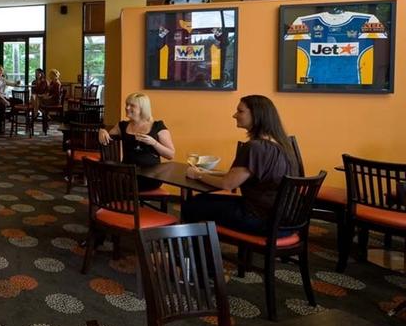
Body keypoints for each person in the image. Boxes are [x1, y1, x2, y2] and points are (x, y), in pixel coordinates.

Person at [180, 95, 299, 236]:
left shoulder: (255, 147)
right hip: (286, 221)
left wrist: (197, 175)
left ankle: (192, 248)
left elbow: (227, 184)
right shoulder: (283, 144)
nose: (234, 115)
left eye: (240, 111)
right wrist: (209, 174)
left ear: (257, 115)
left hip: (264, 222)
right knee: (203, 201)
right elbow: (246, 175)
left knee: (193, 205)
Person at [97, 92, 176, 190]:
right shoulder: (122, 125)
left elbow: (170, 155)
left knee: (111, 182)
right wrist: (102, 131)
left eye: (132, 106)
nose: (127, 108)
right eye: (127, 104)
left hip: (150, 176)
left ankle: (116, 198)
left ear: (143, 109)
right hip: (127, 173)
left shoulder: (157, 126)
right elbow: (107, 137)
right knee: (108, 178)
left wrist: (154, 143)